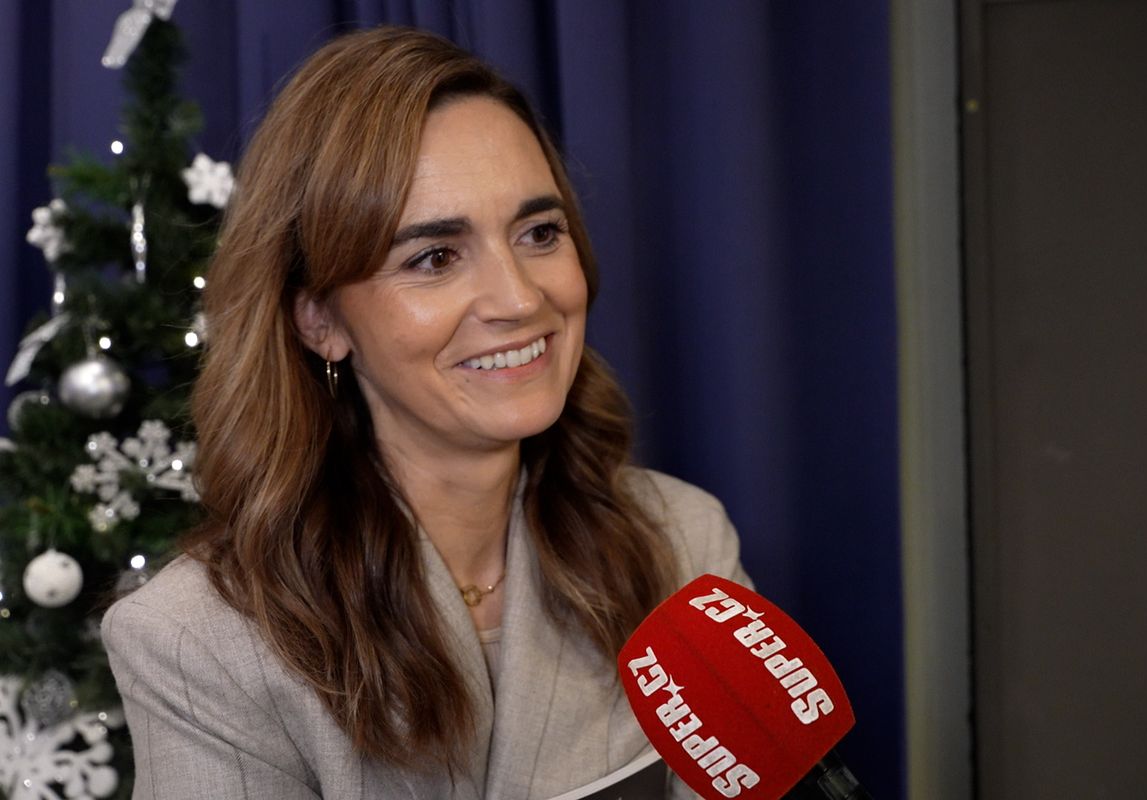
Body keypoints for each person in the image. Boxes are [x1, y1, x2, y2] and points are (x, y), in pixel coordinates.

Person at [102, 25, 749, 800]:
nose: (520, 299)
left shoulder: (683, 545)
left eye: (540, 233)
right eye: (435, 257)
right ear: (320, 321)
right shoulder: (196, 641)